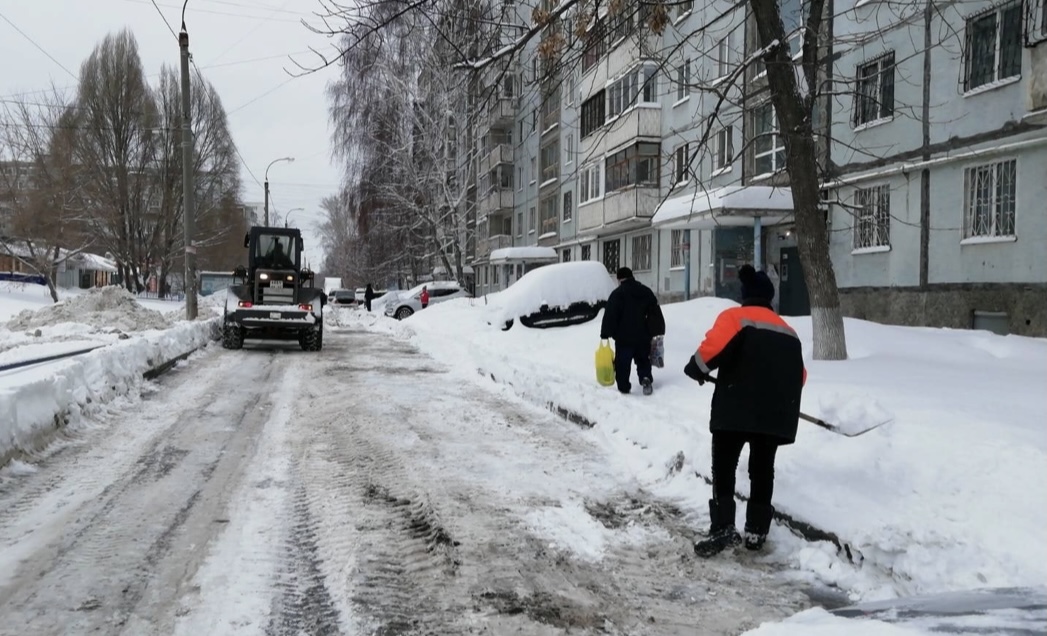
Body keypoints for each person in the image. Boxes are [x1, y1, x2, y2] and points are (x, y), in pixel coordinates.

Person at [685, 264, 807, 557]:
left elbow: (710, 352)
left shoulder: (735, 318)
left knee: (724, 465)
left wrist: (696, 369)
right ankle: (756, 532)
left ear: (745, 295)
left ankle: (724, 527)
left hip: (735, 408)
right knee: (762, 469)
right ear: (769, 297)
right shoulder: (789, 332)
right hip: (775, 415)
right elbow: (800, 377)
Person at [600, 267, 665, 396]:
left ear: (619, 279)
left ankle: (624, 387)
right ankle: (645, 378)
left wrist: (605, 334)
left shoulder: (617, 294)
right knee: (643, 360)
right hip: (643, 336)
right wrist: (656, 330)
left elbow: (610, 316)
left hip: (624, 338)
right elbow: (655, 312)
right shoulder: (645, 291)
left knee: (622, 364)